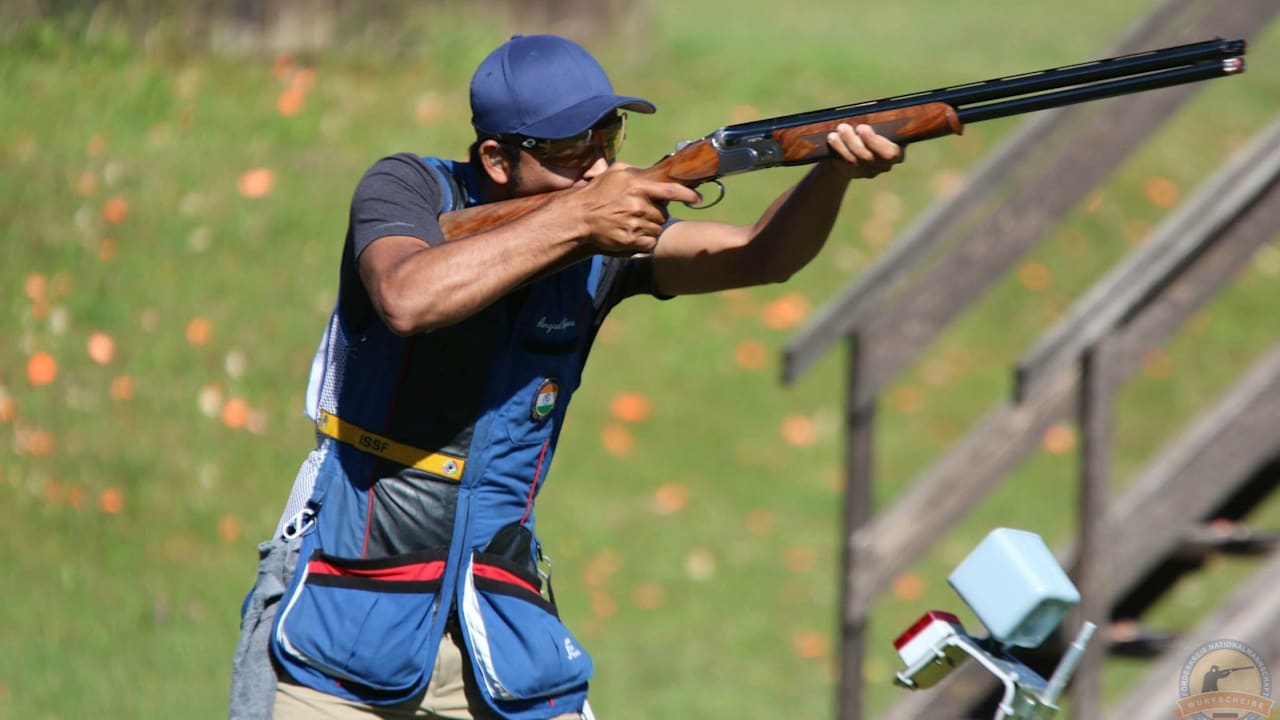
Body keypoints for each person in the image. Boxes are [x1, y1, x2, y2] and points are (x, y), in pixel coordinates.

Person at [229, 33, 903, 720]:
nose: (600, 166)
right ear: (496, 157)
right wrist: (580, 220)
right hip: (339, 622)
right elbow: (408, 297)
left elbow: (761, 257)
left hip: (502, 633)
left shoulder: (607, 237)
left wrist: (834, 170)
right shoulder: (405, 187)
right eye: (571, 150)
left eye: (607, 136)